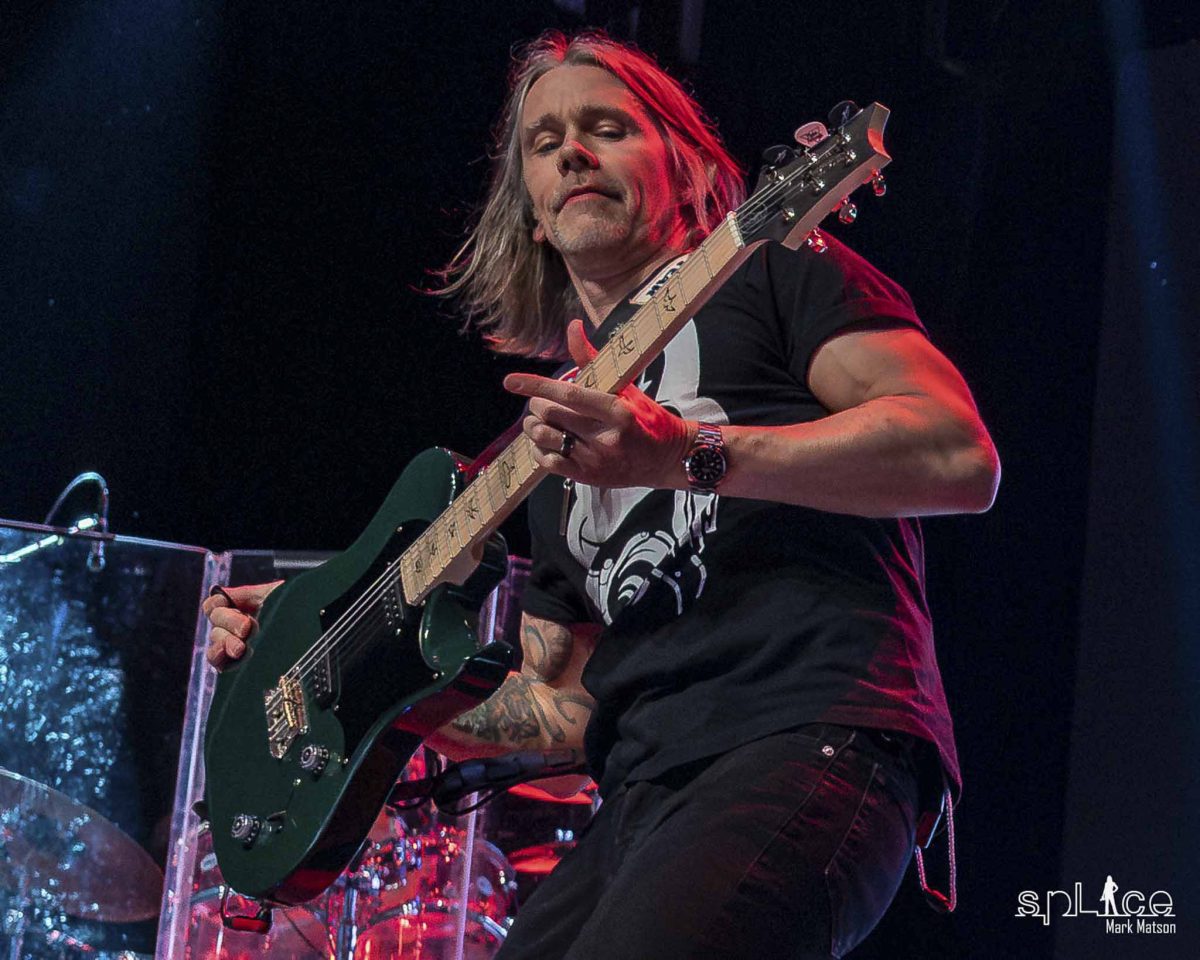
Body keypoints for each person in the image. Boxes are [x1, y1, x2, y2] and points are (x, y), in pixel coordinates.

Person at [204, 30, 999, 960]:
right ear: (535, 215)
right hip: (640, 798)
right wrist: (342, 672)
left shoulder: (776, 269)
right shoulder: (550, 441)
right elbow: (564, 704)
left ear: (686, 168)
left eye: (608, 128)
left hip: (804, 739)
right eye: (544, 144)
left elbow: (958, 454)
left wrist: (686, 454)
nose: (573, 152)